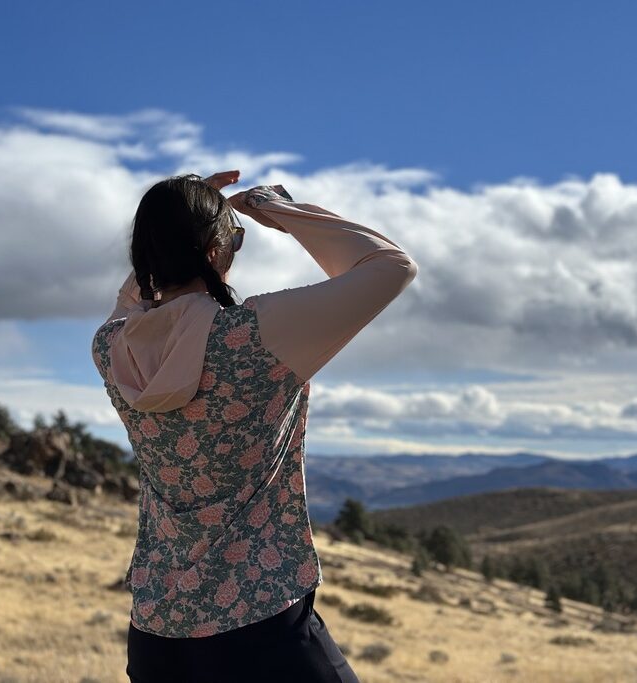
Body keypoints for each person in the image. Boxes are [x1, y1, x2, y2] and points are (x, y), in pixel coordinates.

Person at [90, 169, 418, 682]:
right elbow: (390, 266)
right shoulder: (252, 338)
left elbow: (132, 302)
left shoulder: (111, 349)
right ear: (215, 251)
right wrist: (272, 208)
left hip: (157, 631)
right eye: (233, 243)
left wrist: (179, 230)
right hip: (260, 626)